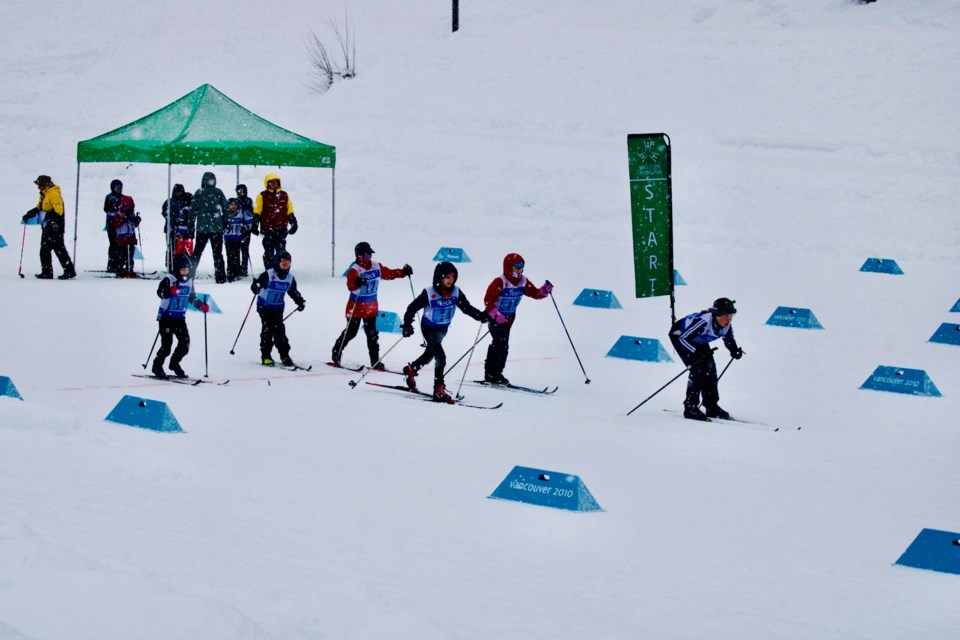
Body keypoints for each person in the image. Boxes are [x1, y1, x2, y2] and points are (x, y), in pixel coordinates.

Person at [401, 261, 486, 403]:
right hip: (428, 327)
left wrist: (480, 316)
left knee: (430, 354)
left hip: (442, 329)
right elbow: (412, 308)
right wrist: (407, 325)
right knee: (441, 357)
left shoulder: (456, 292)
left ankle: (412, 369)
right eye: (447, 277)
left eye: (452, 277)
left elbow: (466, 308)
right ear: (439, 278)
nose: (450, 280)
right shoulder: (429, 293)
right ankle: (438, 388)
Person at [330, 241, 412, 368]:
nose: (367, 258)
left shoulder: (376, 266)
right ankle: (336, 352)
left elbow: (388, 273)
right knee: (351, 332)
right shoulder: (354, 269)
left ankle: (375, 361)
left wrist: (403, 272)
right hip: (355, 306)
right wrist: (357, 282)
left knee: (372, 334)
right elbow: (350, 286)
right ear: (357, 256)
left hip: (370, 307)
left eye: (369, 255)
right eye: (364, 255)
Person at [668, 297, 744, 421]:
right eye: (726, 316)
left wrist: (734, 350)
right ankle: (690, 407)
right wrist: (695, 353)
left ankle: (711, 406)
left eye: (731, 316)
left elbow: (729, 339)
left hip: (698, 340)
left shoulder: (726, 325)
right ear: (717, 314)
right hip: (680, 336)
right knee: (698, 370)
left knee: (710, 369)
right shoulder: (703, 322)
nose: (729, 319)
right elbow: (683, 338)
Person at [482, 252, 553, 385]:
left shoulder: (523, 281)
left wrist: (544, 291)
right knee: (500, 344)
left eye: (522, 267)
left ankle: (496, 372)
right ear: (509, 267)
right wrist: (496, 315)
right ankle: (491, 373)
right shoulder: (500, 281)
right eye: (517, 267)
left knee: (503, 346)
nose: (520, 270)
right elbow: (488, 300)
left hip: (509, 319)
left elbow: (534, 293)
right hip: (495, 319)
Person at [152, 253, 209, 379]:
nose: (185, 272)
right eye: (183, 270)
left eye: (187, 270)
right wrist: (169, 292)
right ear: (177, 268)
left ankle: (174, 363)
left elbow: (191, 297)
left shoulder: (189, 282)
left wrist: (200, 305)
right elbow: (160, 293)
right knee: (166, 346)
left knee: (185, 344)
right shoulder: (169, 279)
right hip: (166, 318)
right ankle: (157, 365)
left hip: (179, 319)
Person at [250, 250, 306, 367]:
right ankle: (266, 356)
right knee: (269, 329)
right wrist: (256, 286)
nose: (285, 266)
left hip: (278, 308)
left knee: (279, 331)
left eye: (288, 263)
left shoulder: (289, 278)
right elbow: (257, 284)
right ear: (277, 263)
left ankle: (284, 355)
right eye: (283, 263)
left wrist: (299, 301)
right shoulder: (269, 274)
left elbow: (293, 291)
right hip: (264, 306)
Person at [21, 175, 76, 280]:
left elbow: (59, 212)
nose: (38, 187)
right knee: (44, 250)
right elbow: (39, 207)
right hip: (47, 227)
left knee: (59, 250)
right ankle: (47, 272)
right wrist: (29, 213)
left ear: (45, 185)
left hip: (56, 228)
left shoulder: (54, 194)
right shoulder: (44, 194)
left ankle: (69, 271)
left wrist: (47, 216)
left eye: (39, 185)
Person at [251, 173, 298, 270]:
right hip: (267, 230)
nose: (273, 184)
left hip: (281, 230)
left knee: (282, 253)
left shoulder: (284, 195)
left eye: (275, 182)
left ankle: (281, 272)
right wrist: (254, 224)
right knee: (268, 253)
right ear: (267, 184)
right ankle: (269, 272)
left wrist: (293, 222)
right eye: (271, 182)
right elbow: (257, 211)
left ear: (278, 183)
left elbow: (289, 210)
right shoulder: (262, 196)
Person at [191, 171, 228, 283]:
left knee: (197, 253)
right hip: (216, 227)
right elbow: (225, 208)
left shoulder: (199, 192)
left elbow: (192, 212)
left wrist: (190, 227)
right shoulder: (218, 192)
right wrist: (226, 222)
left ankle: (189, 275)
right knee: (217, 254)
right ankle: (220, 277)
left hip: (202, 228)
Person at [111, 186, 140, 278]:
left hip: (130, 237)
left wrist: (136, 220)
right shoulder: (119, 214)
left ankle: (130, 269)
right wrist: (124, 218)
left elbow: (135, 224)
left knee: (130, 255)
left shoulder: (131, 214)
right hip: (122, 237)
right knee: (121, 255)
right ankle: (121, 270)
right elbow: (116, 223)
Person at [161, 184, 192, 270]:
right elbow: (164, 212)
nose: (179, 193)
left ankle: (182, 265)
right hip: (170, 228)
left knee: (182, 248)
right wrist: (171, 215)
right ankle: (170, 265)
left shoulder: (185, 201)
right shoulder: (169, 201)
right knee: (171, 247)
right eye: (178, 191)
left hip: (181, 229)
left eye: (181, 191)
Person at [223, 198, 252, 282]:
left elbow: (248, 224)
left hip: (237, 239)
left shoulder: (240, 214)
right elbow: (220, 226)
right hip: (228, 239)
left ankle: (236, 272)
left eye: (235, 205)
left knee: (236, 256)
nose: (233, 206)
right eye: (231, 204)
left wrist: (245, 228)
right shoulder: (225, 215)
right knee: (229, 256)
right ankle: (230, 272)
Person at [103, 179, 123, 273]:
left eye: (120, 187)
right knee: (113, 244)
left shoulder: (123, 197)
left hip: (120, 224)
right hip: (111, 224)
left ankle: (119, 264)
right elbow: (105, 208)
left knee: (120, 245)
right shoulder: (109, 197)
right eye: (117, 188)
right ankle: (111, 265)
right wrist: (114, 209)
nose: (119, 189)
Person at [234, 184, 254, 276]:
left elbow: (250, 213)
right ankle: (237, 268)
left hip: (246, 228)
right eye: (238, 191)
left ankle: (244, 268)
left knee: (245, 249)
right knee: (237, 248)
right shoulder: (236, 201)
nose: (239, 193)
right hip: (238, 228)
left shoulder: (248, 200)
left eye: (241, 191)